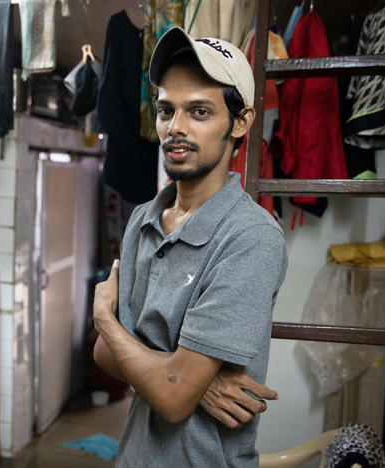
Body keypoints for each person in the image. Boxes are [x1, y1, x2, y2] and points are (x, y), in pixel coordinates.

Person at [93, 27, 288, 467]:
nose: (175, 128)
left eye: (199, 111)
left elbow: (173, 397)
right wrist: (195, 380)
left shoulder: (249, 238)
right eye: (166, 110)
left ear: (240, 122)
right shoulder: (143, 218)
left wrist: (106, 319)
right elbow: (105, 354)